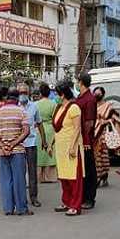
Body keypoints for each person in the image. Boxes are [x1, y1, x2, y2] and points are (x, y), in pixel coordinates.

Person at [0, 90, 32, 216]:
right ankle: (21, 208)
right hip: (17, 150)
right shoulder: (22, 112)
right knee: (19, 180)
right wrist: (14, 143)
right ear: (17, 99)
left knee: (5, 180)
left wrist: (3, 145)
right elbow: (26, 131)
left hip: (3, 152)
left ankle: (8, 208)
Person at [53, 81, 84, 217]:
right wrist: (51, 144)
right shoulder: (58, 107)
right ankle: (66, 201)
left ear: (63, 94)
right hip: (60, 147)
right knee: (64, 177)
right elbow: (57, 128)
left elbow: (77, 128)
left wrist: (72, 146)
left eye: (58, 94)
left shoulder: (74, 108)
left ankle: (75, 205)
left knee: (73, 178)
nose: (56, 96)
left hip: (71, 147)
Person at [93, 87, 120, 188]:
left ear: (103, 95)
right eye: (95, 93)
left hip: (102, 133)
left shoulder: (108, 106)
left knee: (102, 155)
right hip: (93, 133)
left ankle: (102, 176)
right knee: (95, 156)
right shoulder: (92, 105)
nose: (96, 95)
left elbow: (116, 119)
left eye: (98, 94)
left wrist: (106, 121)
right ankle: (99, 176)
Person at [75, 73, 98, 210]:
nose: (77, 84)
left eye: (78, 82)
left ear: (81, 82)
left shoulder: (89, 99)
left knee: (89, 170)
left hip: (86, 140)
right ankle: (83, 196)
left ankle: (90, 198)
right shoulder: (81, 98)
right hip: (79, 138)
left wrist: (87, 140)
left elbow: (89, 122)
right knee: (82, 170)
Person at [18, 84, 43, 208]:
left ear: (28, 93)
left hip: (31, 142)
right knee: (20, 172)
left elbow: (39, 123)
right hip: (19, 144)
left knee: (32, 172)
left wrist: (44, 140)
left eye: (24, 92)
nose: (23, 94)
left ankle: (34, 197)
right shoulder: (15, 107)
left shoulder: (34, 106)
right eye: (21, 92)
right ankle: (22, 197)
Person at [36, 83, 58, 183]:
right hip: (50, 129)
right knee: (50, 152)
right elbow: (55, 119)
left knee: (40, 153)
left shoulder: (36, 104)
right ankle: (51, 177)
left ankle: (39, 177)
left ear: (40, 93)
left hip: (39, 130)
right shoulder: (53, 104)